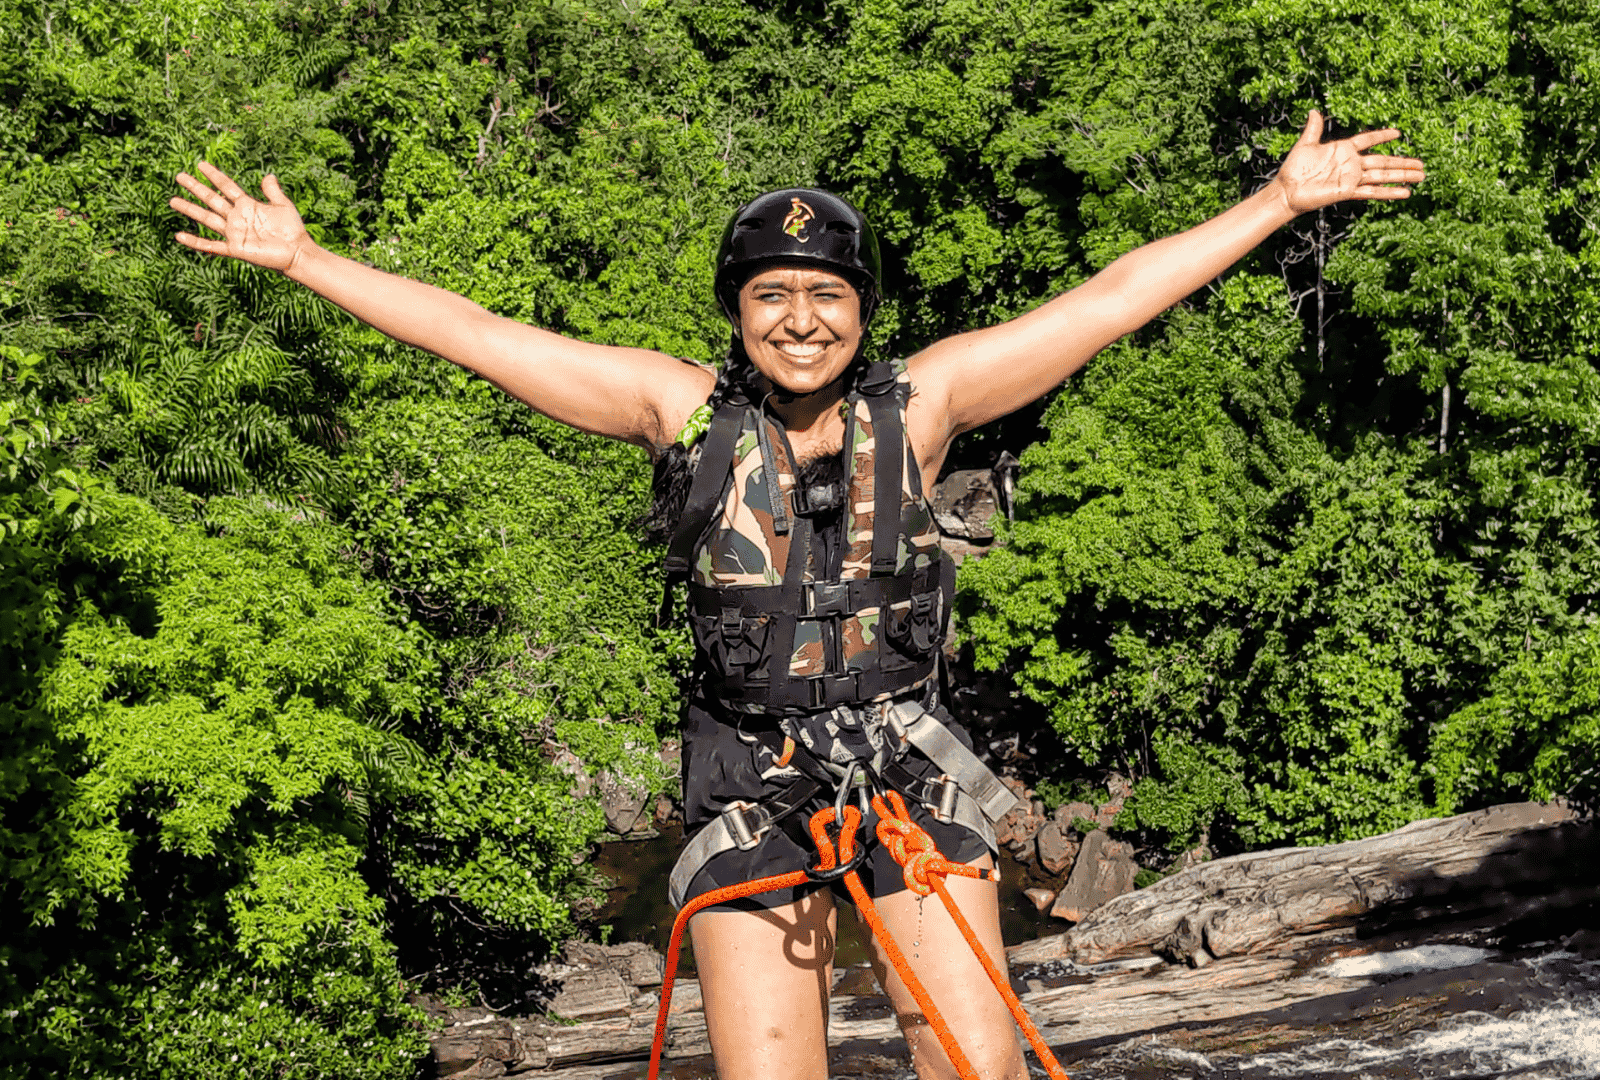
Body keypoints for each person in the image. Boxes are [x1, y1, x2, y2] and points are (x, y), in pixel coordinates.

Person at [170, 110, 1422, 1080]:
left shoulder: (924, 404)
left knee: (973, 1056)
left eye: (826, 294)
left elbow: (1106, 302)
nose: (801, 318)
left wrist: (1276, 201)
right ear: (737, 316)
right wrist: (305, 260)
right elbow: (479, 335)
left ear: (861, 313)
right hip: (747, 772)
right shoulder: (675, 410)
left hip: (906, 756)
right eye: (771, 295)